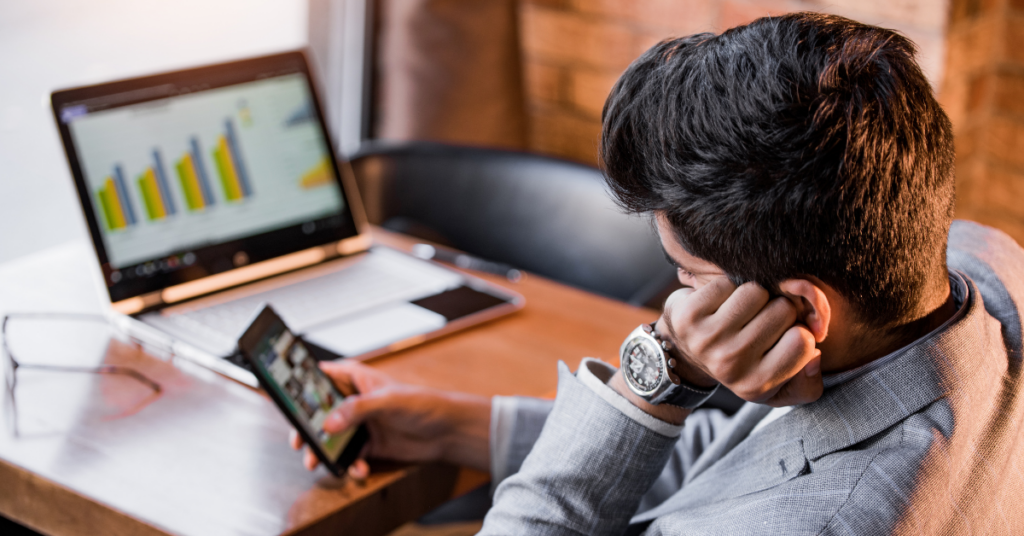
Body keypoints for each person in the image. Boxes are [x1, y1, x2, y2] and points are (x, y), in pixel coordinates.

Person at [291, 12, 1024, 534]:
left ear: (802, 312)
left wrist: (665, 369)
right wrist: (454, 426)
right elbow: (749, 463)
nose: (677, 305)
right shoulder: (986, 267)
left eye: (685, 275)